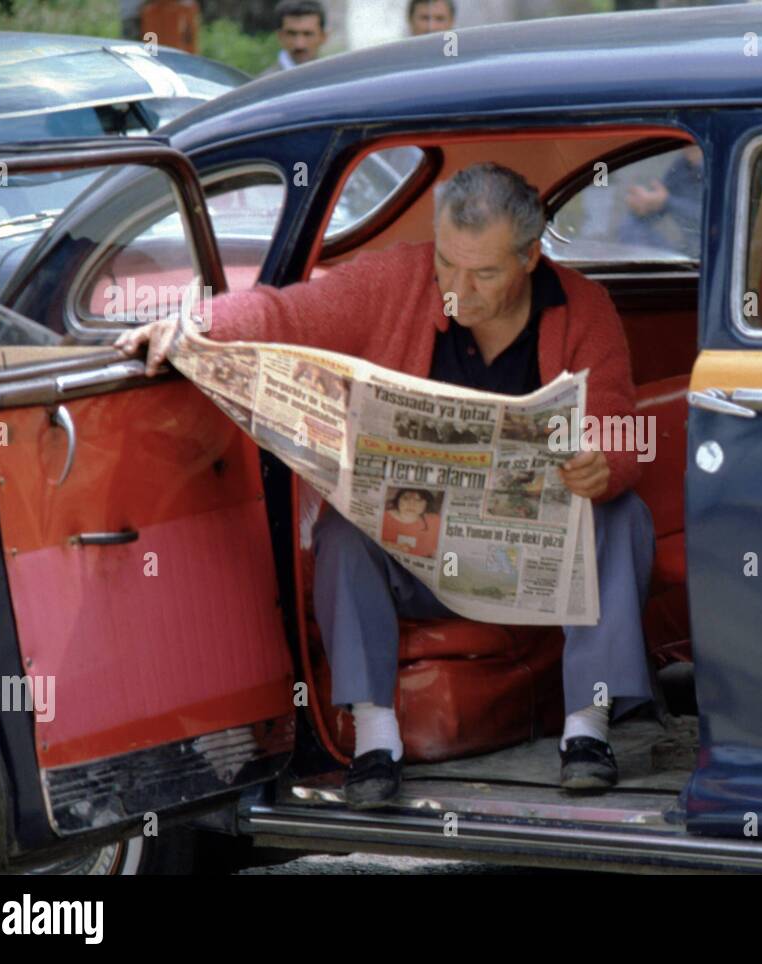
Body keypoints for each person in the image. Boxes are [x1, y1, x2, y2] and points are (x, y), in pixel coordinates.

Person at [116, 162, 656, 808]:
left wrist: (602, 461)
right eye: (447, 266)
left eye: (483, 274)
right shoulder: (396, 280)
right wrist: (198, 324)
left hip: (535, 565)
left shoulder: (583, 307)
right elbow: (284, 313)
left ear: (531, 256)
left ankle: (586, 733)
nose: (458, 290)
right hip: (424, 557)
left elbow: (621, 425)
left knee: (624, 516)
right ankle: (375, 741)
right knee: (344, 530)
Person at [620, 144, 704, 257]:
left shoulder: (722, 166)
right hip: (686, 253)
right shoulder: (681, 166)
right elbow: (661, 197)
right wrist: (645, 204)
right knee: (630, 226)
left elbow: (714, 219)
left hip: (713, 253)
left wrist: (667, 201)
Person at [262, 0, 328, 76]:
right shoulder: (262, 84)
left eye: (308, 34)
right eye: (292, 34)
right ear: (280, 36)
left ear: (323, 37)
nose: (299, 45)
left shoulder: (334, 80)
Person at [379, 488, 442, 558]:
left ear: (426, 504)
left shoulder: (434, 521)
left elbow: (436, 550)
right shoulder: (382, 517)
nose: (411, 504)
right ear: (398, 501)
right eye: (406, 498)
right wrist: (390, 545)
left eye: (419, 500)